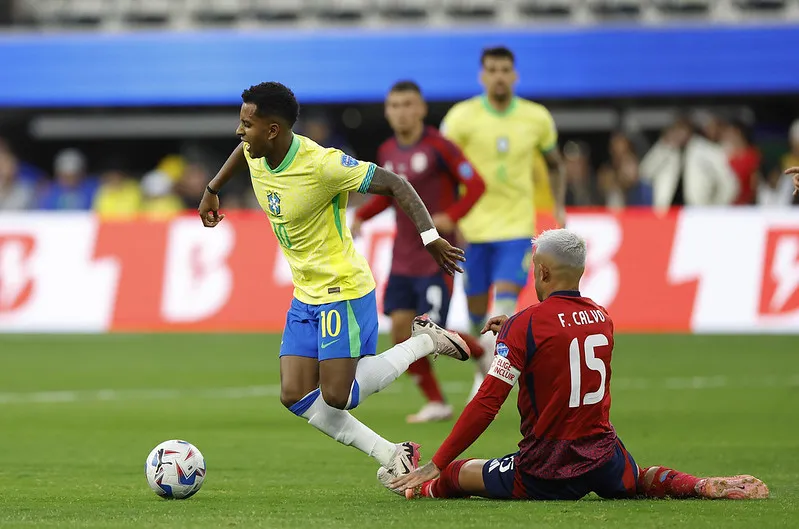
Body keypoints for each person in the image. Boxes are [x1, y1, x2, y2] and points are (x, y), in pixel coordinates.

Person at [197, 82, 471, 488]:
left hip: (342, 289)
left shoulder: (322, 165)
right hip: (305, 292)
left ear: (273, 130)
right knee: (293, 394)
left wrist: (431, 239)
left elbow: (397, 184)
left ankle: (425, 341)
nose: (240, 132)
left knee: (338, 396)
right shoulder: (257, 150)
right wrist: (212, 189)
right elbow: (241, 153)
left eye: (247, 124)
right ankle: (393, 455)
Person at [389, 229, 769, 501]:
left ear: (541, 272)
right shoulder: (602, 317)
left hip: (544, 467)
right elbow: (562, 334)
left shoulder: (527, 324)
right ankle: (698, 485)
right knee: (635, 479)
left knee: (457, 475)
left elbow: (487, 404)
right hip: (603, 456)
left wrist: (439, 464)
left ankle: (417, 485)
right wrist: (515, 329)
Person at [352, 80, 486, 423]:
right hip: (402, 259)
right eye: (394, 105)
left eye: (408, 104)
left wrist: (450, 217)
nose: (401, 112)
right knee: (400, 333)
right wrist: (361, 217)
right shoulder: (386, 151)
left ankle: (488, 353)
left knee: (432, 328)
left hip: (435, 256)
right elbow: (388, 195)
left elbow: (476, 185)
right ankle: (437, 402)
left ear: (422, 109)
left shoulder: (440, 147)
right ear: (387, 111)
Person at [440, 46, 566, 399]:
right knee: (477, 314)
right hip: (474, 230)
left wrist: (559, 206)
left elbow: (555, 163)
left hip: (515, 228)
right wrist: (454, 215)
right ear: (482, 75)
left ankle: (493, 382)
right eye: (492, 69)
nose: (498, 75)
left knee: (505, 306)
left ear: (515, 75)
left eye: (505, 69)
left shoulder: (536, 117)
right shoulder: (461, 118)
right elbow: (444, 169)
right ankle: (484, 372)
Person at [639, 116, 738, 211]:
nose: (679, 133)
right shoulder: (664, 149)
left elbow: (729, 184)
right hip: (667, 211)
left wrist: (715, 208)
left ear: (690, 130)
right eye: (676, 129)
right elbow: (645, 173)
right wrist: (664, 146)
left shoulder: (708, 150)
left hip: (698, 211)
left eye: (683, 129)